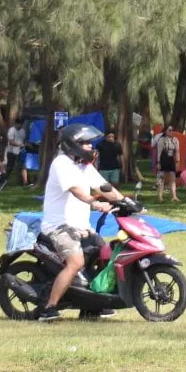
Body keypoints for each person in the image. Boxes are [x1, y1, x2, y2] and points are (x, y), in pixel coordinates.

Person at [36, 123, 125, 322]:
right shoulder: (61, 164)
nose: (90, 147)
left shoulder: (83, 165)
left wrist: (126, 202)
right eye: (85, 143)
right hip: (59, 227)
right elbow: (76, 190)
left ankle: (93, 304)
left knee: (108, 255)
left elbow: (104, 186)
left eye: (89, 143)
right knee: (76, 263)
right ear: (73, 145)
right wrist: (95, 203)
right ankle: (49, 308)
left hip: (82, 227)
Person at [152, 125, 181, 202]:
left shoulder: (175, 140)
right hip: (163, 159)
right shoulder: (162, 139)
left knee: (173, 179)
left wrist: (178, 162)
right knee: (162, 179)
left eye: (172, 130)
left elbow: (177, 151)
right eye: (169, 130)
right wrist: (158, 163)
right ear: (165, 131)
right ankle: (160, 197)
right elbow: (159, 152)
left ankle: (174, 196)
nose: (171, 132)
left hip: (171, 159)